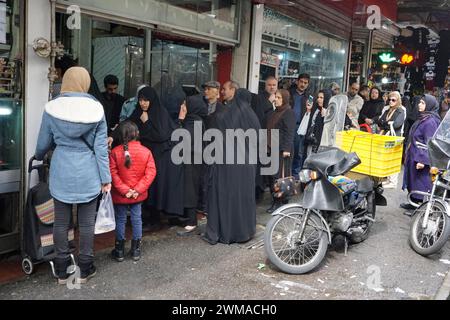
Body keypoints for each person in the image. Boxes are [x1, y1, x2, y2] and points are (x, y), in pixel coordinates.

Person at [35, 67, 111, 284]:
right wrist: (106, 178)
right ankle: (85, 268)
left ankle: (61, 270)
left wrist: (39, 155)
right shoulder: (96, 109)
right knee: (86, 224)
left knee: (61, 222)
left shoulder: (52, 108)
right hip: (88, 171)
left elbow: (42, 144)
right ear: (85, 82)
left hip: (62, 170)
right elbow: (100, 149)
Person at [202, 89, 261, 245]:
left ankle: (224, 231)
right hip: (247, 165)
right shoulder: (253, 117)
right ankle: (244, 231)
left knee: (226, 197)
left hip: (226, 164)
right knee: (243, 198)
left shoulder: (225, 115)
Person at [129, 87, 184, 231]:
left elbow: (161, 136)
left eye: (146, 100)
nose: (143, 103)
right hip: (145, 155)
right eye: (141, 100)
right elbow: (128, 125)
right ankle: (148, 217)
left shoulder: (160, 113)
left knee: (154, 187)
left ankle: (154, 218)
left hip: (159, 156)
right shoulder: (138, 112)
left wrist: (146, 123)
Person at [109, 121, 156, 262]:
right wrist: (137, 190)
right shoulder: (146, 152)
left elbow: (112, 173)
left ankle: (119, 251)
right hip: (138, 195)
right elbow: (151, 173)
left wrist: (125, 190)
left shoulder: (115, 152)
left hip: (120, 194)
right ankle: (135, 250)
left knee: (121, 219)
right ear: (137, 134)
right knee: (137, 219)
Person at [401, 94, 441, 210]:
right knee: (413, 180)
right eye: (420, 102)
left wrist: (423, 160)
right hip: (414, 154)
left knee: (421, 183)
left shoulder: (430, 122)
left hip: (421, 157)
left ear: (429, 105)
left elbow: (429, 144)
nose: (419, 104)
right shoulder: (424, 117)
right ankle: (412, 203)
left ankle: (419, 208)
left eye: (423, 103)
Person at [176, 95, 208, 236]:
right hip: (194, 160)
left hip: (192, 162)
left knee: (190, 189)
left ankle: (191, 222)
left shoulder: (193, 122)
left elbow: (181, 139)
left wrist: (180, 120)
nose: (182, 107)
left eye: (185, 105)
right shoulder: (196, 120)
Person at [266, 89, 296, 213]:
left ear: (284, 99)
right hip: (272, 148)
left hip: (282, 150)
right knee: (272, 176)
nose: (275, 100)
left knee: (279, 177)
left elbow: (289, 132)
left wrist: (286, 149)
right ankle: (279, 199)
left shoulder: (288, 112)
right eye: (275, 97)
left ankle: (278, 202)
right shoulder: (275, 112)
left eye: (278, 97)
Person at [376, 91, 406, 189]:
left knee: (394, 159)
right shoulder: (387, 110)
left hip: (395, 137)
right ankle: (387, 179)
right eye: (390, 99)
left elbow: (397, 124)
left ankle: (393, 182)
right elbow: (380, 122)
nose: (391, 101)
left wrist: (386, 123)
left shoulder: (401, 110)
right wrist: (388, 123)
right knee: (387, 158)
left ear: (398, 101)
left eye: (393, 100)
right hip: (386, 136)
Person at [290, 73, 311, 178]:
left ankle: (295, 176)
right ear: (297, 81)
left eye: (305, 83)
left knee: (298, 152)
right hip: (289, 126)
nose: (303, 84)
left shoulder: (309, 97)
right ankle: (286, 174)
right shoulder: (290, 94)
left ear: (308, 84)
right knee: (287, 151)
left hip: (301, 128)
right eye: (301, 82)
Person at [305, 90, 331, 155]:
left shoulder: (330, 111)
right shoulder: (316, 109)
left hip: (322, 144)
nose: (319, 99)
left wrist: (324, 116)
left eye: (321, 98)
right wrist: (308, 110)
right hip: (311, 141)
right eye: (318, 97)